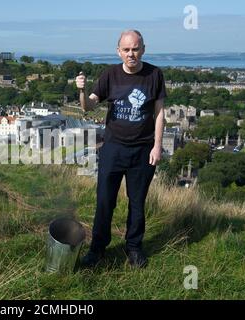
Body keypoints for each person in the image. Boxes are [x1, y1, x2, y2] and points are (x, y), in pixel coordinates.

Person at [75, 30, 166, 268]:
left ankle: (134, 248)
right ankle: (97, 249)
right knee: (105, 201)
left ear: (143, 49)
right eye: (126, 50)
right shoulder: (110, 75)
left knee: (137, 202)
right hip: (113, 148)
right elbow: (88, 107)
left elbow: (159, 113)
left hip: (143, 150)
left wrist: (157, 145)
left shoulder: (155, 75)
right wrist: (82, 91)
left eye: (135, 49)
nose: (131, 54)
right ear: (119, 51)